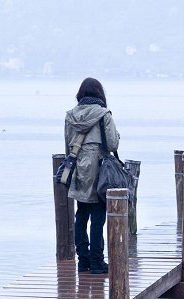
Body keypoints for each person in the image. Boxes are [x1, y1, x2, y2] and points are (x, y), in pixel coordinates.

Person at [65, 78, 120, 274]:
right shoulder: (103, 114)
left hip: (79, 167)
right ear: (100, 94)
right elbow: (113, 145)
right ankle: (97, 262)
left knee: (81, 214)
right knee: (98, 216)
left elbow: (68, 146)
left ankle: (83, 261)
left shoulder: (70, 116)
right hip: (98, 168)